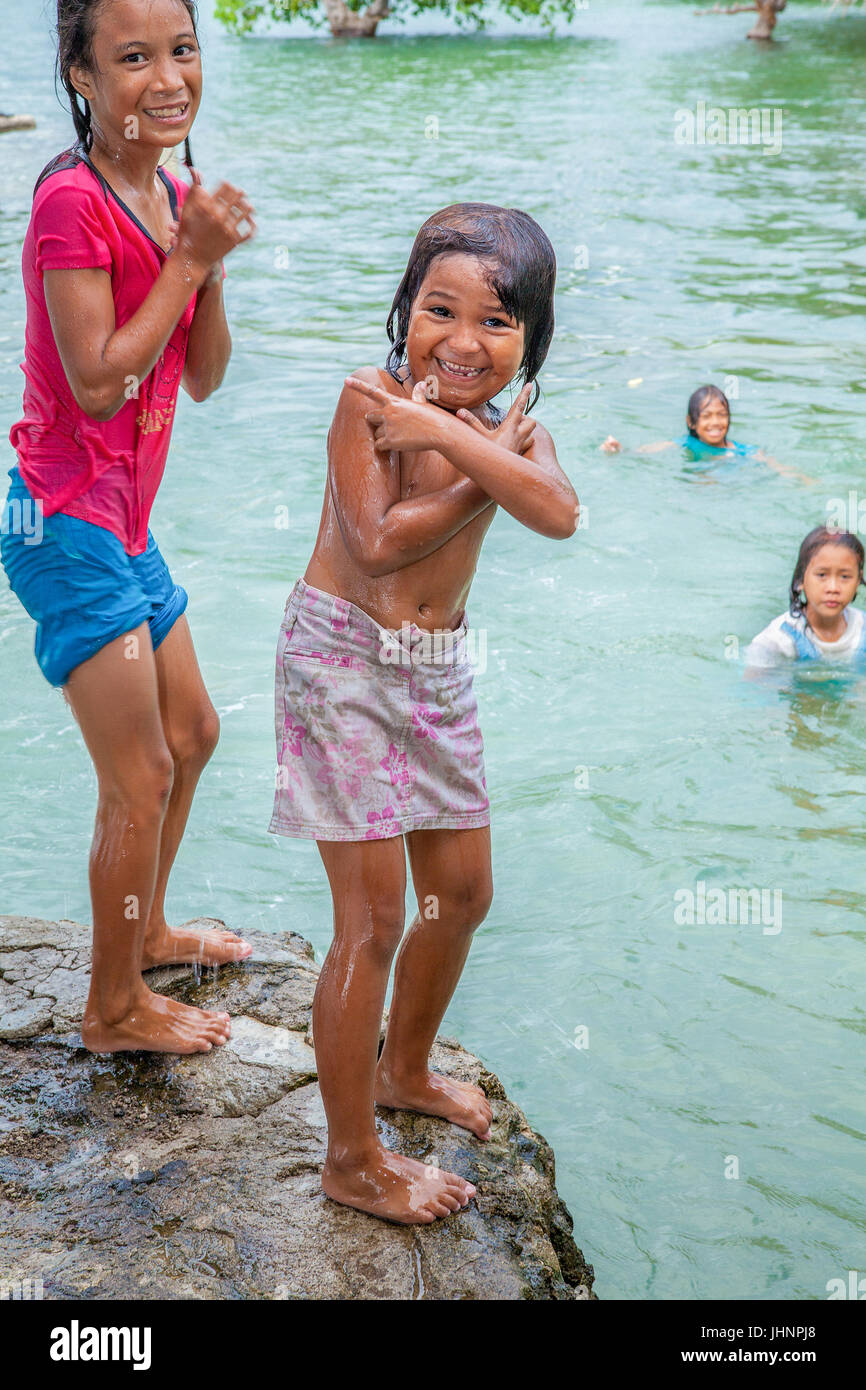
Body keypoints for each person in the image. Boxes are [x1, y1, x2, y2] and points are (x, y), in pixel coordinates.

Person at [269, 203, 579, 1224]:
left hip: (436, 666)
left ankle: (403, 1066)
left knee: (464, 889)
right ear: (403, 311)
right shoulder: (365, 399)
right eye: (437, 309)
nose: (460, 340)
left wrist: (454, 436)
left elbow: (559, 513)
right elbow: (377, 541)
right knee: (371, 920)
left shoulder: (501, 429)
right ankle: (350, 1158)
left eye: (494, 321)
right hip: (340, 660)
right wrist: (482, 456)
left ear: (530, 337)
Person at [0, 0, 256, 1054]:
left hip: (122, 516)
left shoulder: (174, 196)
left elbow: (199, 379)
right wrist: (186, 263)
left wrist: (208, 259)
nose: (166, 78)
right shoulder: (71, 201)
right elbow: (100, 385)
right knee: (138, 773)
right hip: (56, 513)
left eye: (182, 51)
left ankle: (144, 930)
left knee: (192, 733)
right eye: (133, 57)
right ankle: (110, 1010)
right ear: (81, 74)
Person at [602, 384, 813, 483]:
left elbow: (775, 466)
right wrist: (620, 451)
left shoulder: (744, 451)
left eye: (722, 415)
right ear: (691, 422)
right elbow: (645, 452)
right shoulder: (684, 444)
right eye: (707, 416)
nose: (715, 422)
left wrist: (802, 479)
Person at [744, 527, 866, 670]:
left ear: (858, 580)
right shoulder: (779, 639)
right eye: (822, 575)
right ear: (801, 579)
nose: (833, 588)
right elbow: (755, 683)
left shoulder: (862, 629)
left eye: (845, 577)